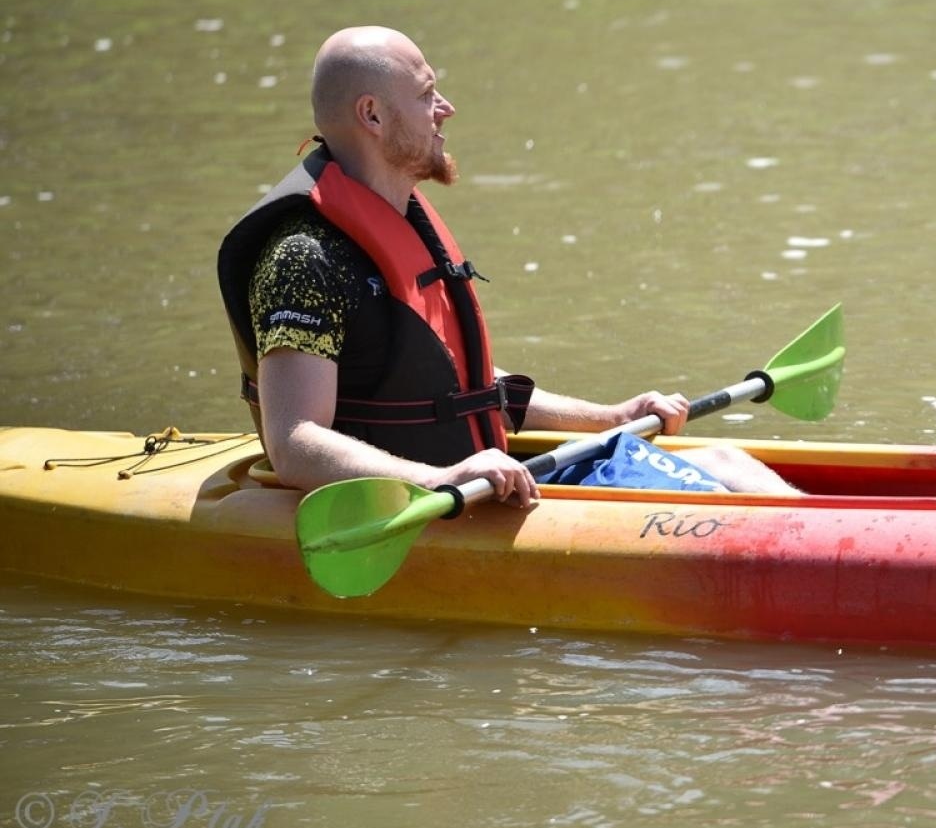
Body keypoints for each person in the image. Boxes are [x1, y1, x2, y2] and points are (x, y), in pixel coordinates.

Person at [218, 25, 798, 506]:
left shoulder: (404, 222)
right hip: (439, 500)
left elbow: (458, 386)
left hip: (481, 480)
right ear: (371, 115)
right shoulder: (303, 259)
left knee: (723, 458)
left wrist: (611, 416)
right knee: (720, 496)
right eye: (426, 95)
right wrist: (437, 479)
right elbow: (294, 441)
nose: (445, 109)